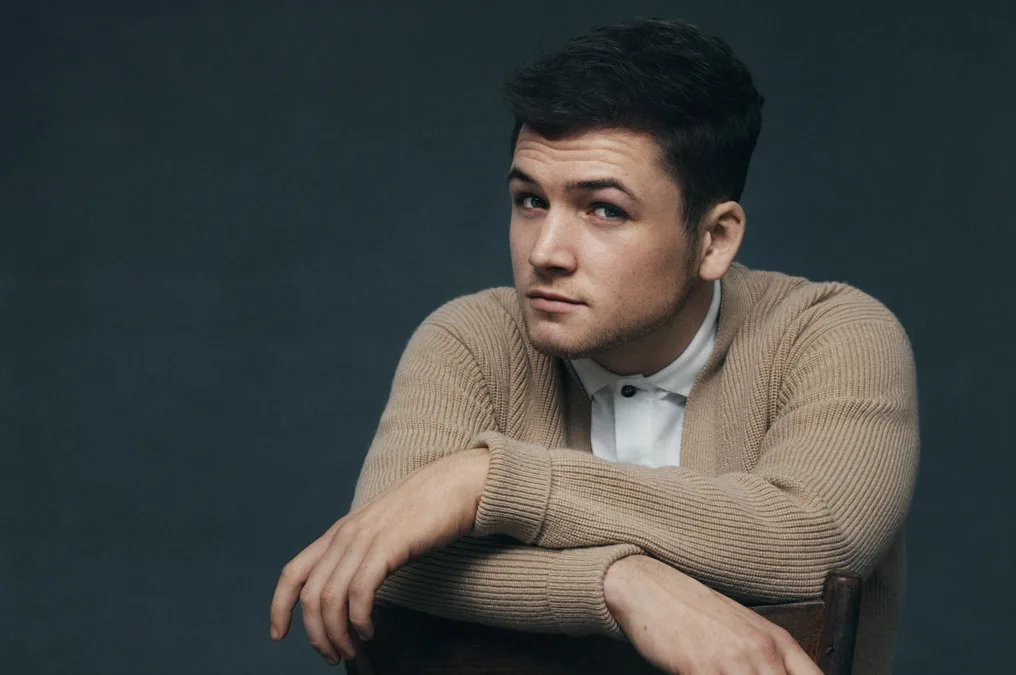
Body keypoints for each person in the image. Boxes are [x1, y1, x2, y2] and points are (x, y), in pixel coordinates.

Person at [269, 17, 918, 675]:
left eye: (604, 209)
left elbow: (811, 540)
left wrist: (488, 480)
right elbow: (376, 562)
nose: (545, 252)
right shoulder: (469, 339)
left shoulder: (830, 334)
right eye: (530, 200)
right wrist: (619, 583)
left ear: (714, 239)